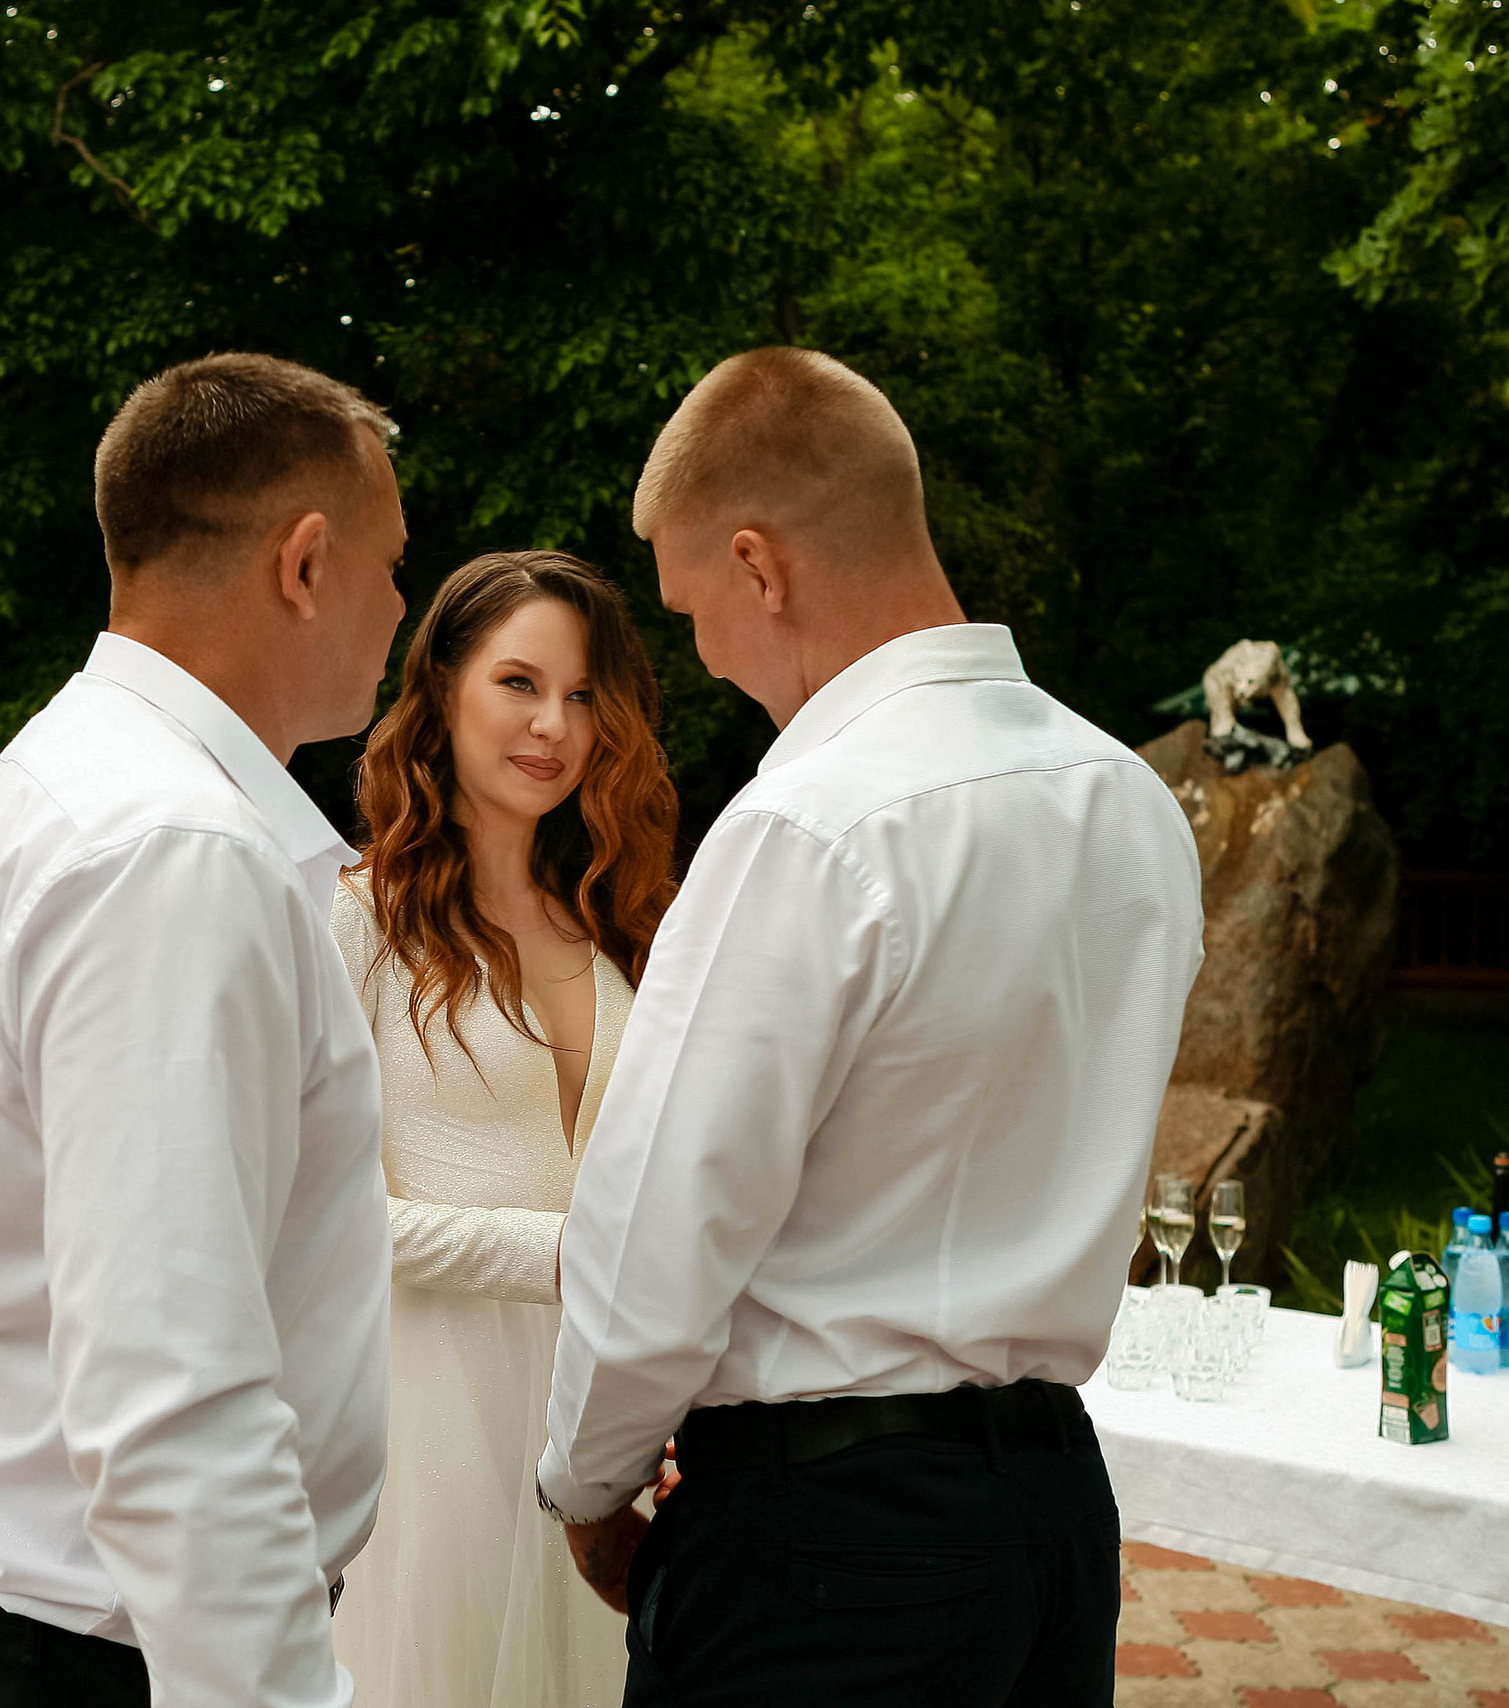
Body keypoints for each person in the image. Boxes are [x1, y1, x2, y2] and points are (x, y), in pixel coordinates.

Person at [535, 348, 1207, 1704]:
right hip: (1054, 1518)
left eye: (692, 609)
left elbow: (663, 1216)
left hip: (826, 1548)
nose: (703, 655)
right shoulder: (1127, 799)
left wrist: (590, 1480)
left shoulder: (810, 823)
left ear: (759, 566)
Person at [0, 352, 408, 1708]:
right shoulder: (171, 848)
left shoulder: (85, 780)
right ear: (305, 564)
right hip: (101, 1659)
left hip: (48, 1633)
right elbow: (172, 1388)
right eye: (391, 564)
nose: (401, 607)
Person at [329, 552, 677, 1707]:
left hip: (604, 1413)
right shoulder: (356, 919)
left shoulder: (618, 920)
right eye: (518, 682)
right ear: (440, 690)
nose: (553, 725)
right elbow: (316, 1214)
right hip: (433, 1414)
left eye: (581, 695)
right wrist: (562, 1255)